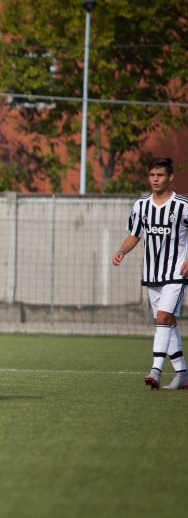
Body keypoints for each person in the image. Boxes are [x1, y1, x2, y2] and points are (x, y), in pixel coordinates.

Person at [112, 156, 188, 390]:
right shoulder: (141, 205)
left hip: (177, 272)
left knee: (163, 318)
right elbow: (135, 234)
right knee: (167, 322)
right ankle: (183, 374)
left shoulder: (183, 205)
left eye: (161, 175)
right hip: (152, 273)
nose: (156, 179)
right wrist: (122, 251)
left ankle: (155, 370)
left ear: (170, 177)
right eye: (152, 175)